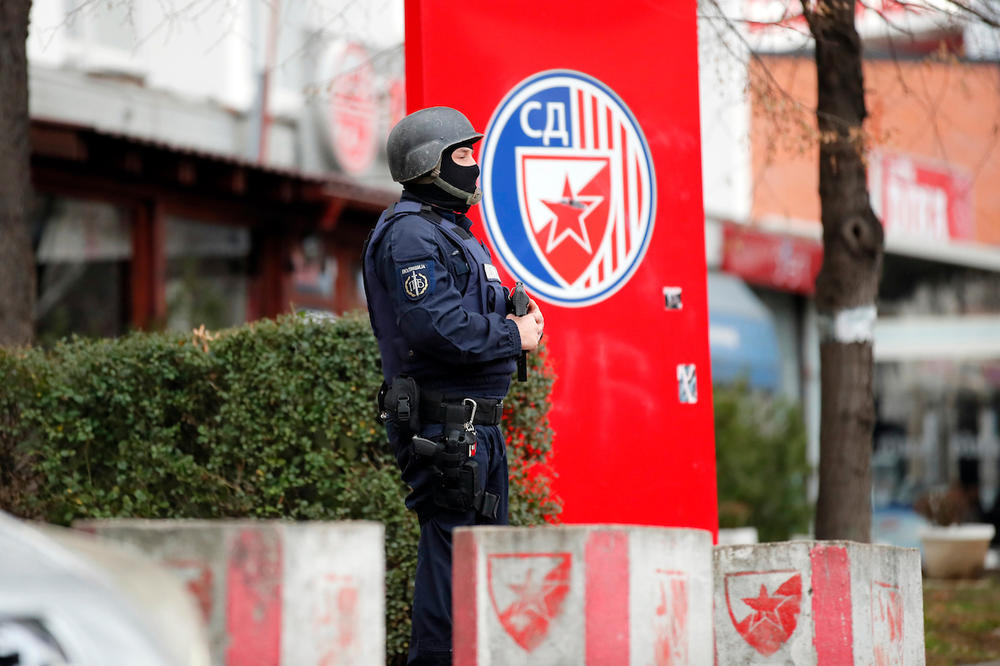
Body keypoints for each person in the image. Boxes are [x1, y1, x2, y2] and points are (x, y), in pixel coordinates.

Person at [361, 106, 544, 665]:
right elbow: (434, 326)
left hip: (472, 425)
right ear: (427, 164)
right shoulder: (411, 234)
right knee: (453, 560)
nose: (475, 165)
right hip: (446, 427)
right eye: (462, 155)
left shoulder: (451, 234)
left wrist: (512, 321)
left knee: (484, 559)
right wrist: (514, 334)